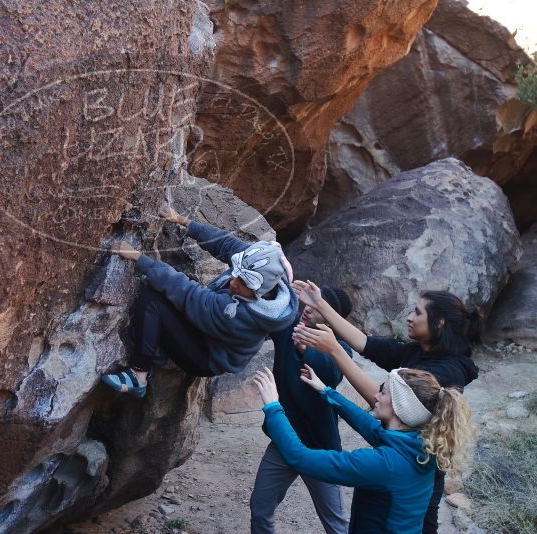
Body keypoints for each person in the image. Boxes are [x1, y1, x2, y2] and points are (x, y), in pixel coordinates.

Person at [291, 281, 481, 533]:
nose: (410, 318)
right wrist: (320, 303)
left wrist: (336, 351)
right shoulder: (417, 351)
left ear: (440, 322)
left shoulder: (447, 370)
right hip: (400, 452)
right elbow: (365, 344)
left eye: (418, 312)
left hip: (418, 461)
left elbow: (384, 400)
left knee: (422, 524)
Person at [252, 363, 474, 534]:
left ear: (400, 408)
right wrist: (327, 392)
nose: (376, 396)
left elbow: (300, 458)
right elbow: (370, 427)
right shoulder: (421, 445)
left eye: (383, 392)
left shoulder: (384, 464)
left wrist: (273, 407)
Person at [100, 205, 298, 397]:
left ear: (259, 290)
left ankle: (138, 376)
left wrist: (139, 258)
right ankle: (158, 348)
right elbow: (225, 244)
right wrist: (184, 221)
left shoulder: (236, 313)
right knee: (172, 294)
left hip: (206, 357)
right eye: (236, 273)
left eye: (243, 282)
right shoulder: (267, 273)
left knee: (152, 300)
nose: (233, 281)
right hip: (212, 336)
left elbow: (187, 292)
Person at [250, 286, 355, 534]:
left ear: (331, 316)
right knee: (260, 507)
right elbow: (273, 300)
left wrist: (306, 350)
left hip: (320, 450)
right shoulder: (290, 327)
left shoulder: (340, 348)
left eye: (317, 306)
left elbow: (332, 374)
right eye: (308, 302)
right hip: (284, 442)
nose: (308, 308)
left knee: (336, 523)